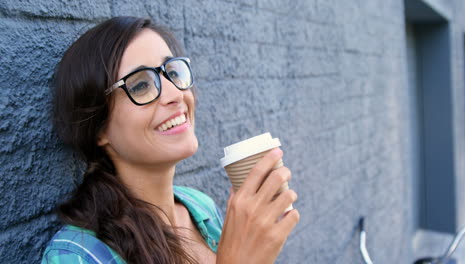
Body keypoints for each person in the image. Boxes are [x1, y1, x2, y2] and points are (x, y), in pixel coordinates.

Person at [41, 16, 299, 264]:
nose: (176, 93)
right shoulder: (77, 255)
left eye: (173, 72)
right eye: (140, 85)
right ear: (99, 129)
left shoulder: (201, 207)